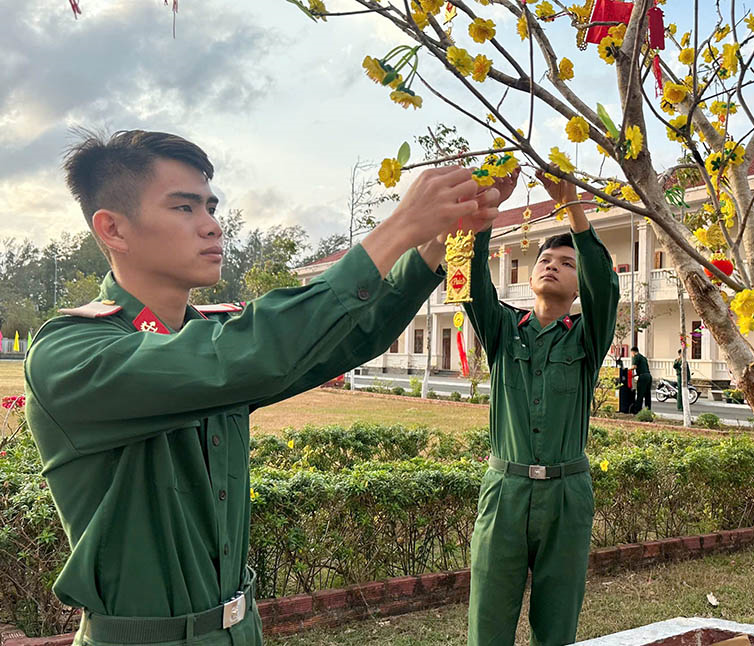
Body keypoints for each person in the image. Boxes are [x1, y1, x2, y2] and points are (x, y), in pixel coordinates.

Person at [23, 130, 500, 646]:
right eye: (184, 208)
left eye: (210, 206)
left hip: (242, 630)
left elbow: (345, 338)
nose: (212, 225)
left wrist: (436, 242)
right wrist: (399, 227)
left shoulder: (214, 340)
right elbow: (248, 352)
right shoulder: (69, 354)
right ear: (113, 228)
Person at [462, 169, 619, 646]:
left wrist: (572, 206)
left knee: (556, 625)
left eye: (567, 263)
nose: (552, 266)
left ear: (577, 287)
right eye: (545, 260)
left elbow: (605, 287)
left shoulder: (587, 338)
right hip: (504, 491)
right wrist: (488, 209)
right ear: (530, 277)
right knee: (488, 621)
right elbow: (472, 284)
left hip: (566, 496)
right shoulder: (503, 330)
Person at [631, 345, 652, 412]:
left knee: (640, 394)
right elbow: (644, 369)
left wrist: (626, 370)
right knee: (647, 395)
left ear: (633, 352)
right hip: (648, 376)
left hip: (642, 377)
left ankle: (637, 410)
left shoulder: (636, 356)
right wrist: (634, 375)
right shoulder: (643, 358)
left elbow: (634, 367)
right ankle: (648, 410)